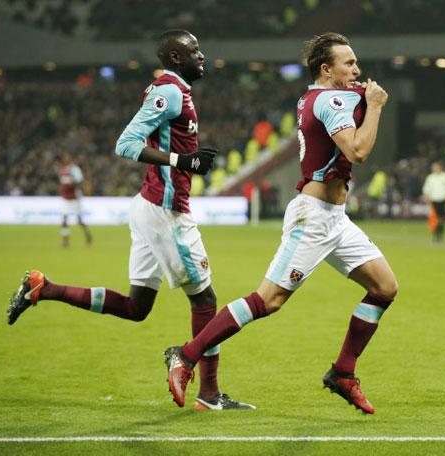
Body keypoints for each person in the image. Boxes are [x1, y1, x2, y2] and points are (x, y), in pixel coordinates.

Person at [7, 30, 254, 411]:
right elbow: (125, 143)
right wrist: (182, 161)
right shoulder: (168, 90)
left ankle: (45, 288)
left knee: (137, 308)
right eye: (194, 51)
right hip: (165, 213)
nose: (203, 57)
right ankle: (208, 392)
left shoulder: (178, 91)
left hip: (148, 206)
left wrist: (182, 160)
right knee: (204, 298)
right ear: (175, 56)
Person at [164, 32, 398, 415]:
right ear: (327, 69)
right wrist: (374, 106)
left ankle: (343, 371)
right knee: (268, 300)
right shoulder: (331, 99)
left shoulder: (314, 97)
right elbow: (358, 150)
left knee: (385, 287)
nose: (357, 69)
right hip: (313, 218)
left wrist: (364, 98)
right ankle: (185, 356)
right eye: (349, 63)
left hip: (336, 220)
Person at [57, 153, 92, 248]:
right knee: (64, 220)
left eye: (67, 157)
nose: (66, 159)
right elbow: (61, 184)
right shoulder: (61, 170)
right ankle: (65, 241)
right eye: (64, 158)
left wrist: (71, 184)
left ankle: (88, 237)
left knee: (80, 221)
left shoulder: (74, 169)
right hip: (65, 198)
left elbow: (80, 181)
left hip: (74, 198)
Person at [422, 161, 445, 242]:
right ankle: (435, 235)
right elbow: (426, 191)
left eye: (436, 167)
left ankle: (440, 235)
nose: (434, 169)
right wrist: (427, 201)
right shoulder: (430, 177)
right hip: (433, 201)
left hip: (442, 200)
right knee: (434, 219)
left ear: (440, 167)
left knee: (441, 219)